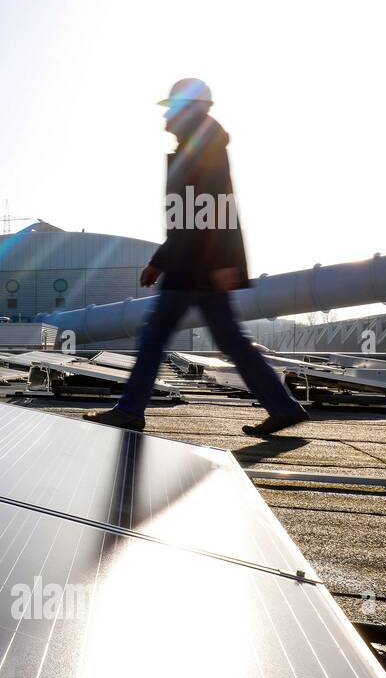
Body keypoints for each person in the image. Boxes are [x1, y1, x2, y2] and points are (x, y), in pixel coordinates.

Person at [84, 79, 308, 436]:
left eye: (171, 110)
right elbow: (190, 213)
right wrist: (166, 259)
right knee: (229, 340)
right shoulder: (202, 144)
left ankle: (129, 411)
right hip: (197, 262)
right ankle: (283, 406)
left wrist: (216, 262)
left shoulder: (204, 149)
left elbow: (212, 209)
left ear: (189, 110)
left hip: (196, 265)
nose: (166, 119)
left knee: (155, 337)